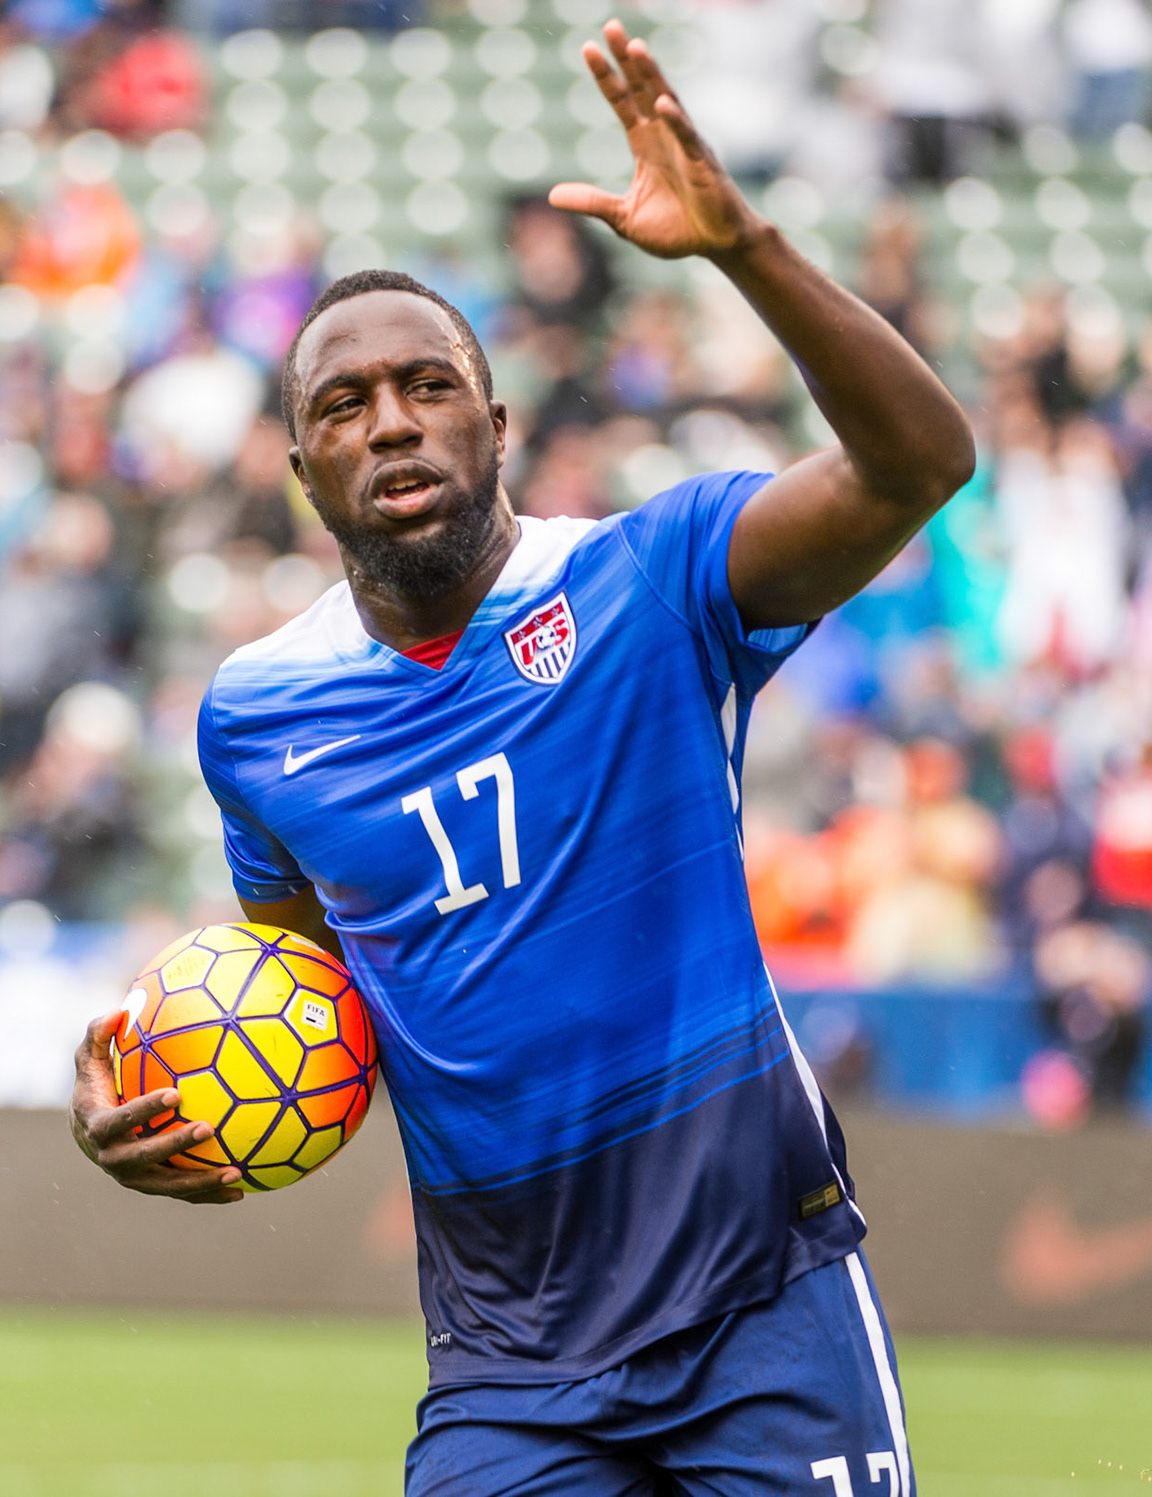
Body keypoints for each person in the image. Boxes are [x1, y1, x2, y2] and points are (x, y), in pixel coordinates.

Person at [70, 22, 975, 1496]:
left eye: (426, 386)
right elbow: (302, 993)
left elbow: (919, 462)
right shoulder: (258, 717)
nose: (391, 422)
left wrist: (745, 244)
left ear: (495, 422)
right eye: (342, 407)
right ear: (304, 473)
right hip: (508, 1367)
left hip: (766, 1304)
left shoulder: (651, 581)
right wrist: (135, 1083)